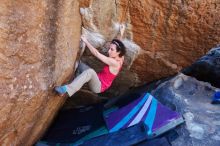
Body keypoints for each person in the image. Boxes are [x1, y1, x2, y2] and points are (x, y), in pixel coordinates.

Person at [55, 25, 126, 97]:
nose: (109, 51)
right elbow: (119, 45)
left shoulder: (114, 63)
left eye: (112, 50)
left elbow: (96, 54)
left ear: (118, 52)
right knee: (79, 64)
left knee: (90, 72)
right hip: (97, 78)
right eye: (109, 48)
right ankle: (73, 83)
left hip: (99, 86)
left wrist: (86, 41)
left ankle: (66, 89)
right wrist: (121, 33)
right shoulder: (121, 56)